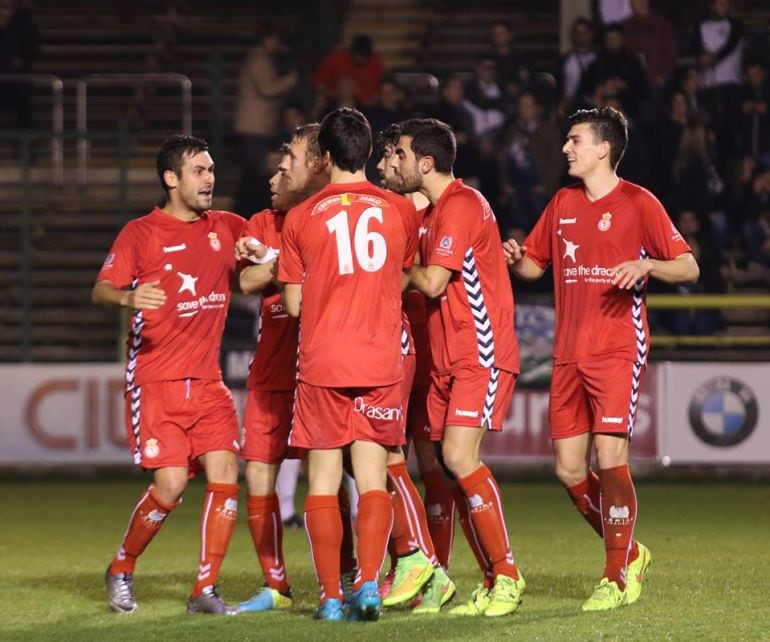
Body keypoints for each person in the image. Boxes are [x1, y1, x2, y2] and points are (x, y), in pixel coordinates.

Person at [503, 107, 699, 611]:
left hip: (616, 348)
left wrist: (647, 264)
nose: (566, 148)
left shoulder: (638, 202)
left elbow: (689, 266)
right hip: (567, 353)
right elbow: (533, 265)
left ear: (603, 147)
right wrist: (514, 257)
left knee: (610, 460)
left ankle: (615, 576)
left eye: (575, 140)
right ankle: (630, 550)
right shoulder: (563, 201)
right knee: (570, 471)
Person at [95, 135, 246, 615]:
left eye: (211, 169)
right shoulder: (140, 233)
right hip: (155, 382)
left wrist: (265, 258)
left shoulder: (227, 227)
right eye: (199, 170)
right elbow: (101, 288)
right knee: (172, 487)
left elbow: (264, 257)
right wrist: (127, 298)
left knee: (226, 474)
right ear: (171, 179)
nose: (209, 179)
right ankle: (121, 567)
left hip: (208, 383)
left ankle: (204, 589)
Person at [278, 107, 419, 622]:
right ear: (368, 154)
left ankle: (332, 596)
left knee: (322, 481)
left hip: (322, 363)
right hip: (379, 360)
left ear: (327, 157)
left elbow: (292, 305)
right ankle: (368, 586)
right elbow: (402, 275)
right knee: (372, 478)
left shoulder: (299, 218)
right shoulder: (400, 211)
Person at [392, 118, 526, 618]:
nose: (396, 163)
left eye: (401, 155)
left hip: (479, 352)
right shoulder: (432, 214)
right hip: (446, 358)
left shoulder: (462, 205)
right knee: (449, 466)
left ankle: (508, 574)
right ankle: (491, 580)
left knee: (457, 456)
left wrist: (379, 271)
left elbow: (430, 282)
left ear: (426, 162)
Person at [233, 125, 329, 614]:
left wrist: (278, 264)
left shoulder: (328, 215)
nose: (276, 174)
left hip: (321, 369)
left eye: (285, 162)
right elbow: (246, 280)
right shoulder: (262, 221)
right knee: (258, 477)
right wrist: (277, 262)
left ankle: (348, 575)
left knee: (332, 478)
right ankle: (276, 585)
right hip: (271, 371)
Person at [375, 124, 457, 614]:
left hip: (423, 349)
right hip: (393, 346)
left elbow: (429, 280)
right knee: (390, 462)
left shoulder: (430, 212)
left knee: (425, 463)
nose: (386, 166)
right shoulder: (394, 210)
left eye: (392, 156)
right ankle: (410, 566)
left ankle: (432, 567)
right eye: (386, 157)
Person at [233, 28, 299, 217]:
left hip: (256, 126)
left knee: (254, 173)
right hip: (253, 126)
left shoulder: (260, 58)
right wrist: (289, 81)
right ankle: (247, 211)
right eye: (275, 40)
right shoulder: (259, 59)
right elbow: (267, 89)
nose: (278, 45)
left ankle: (247, 210)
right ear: (267, 38)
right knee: (254, 174)